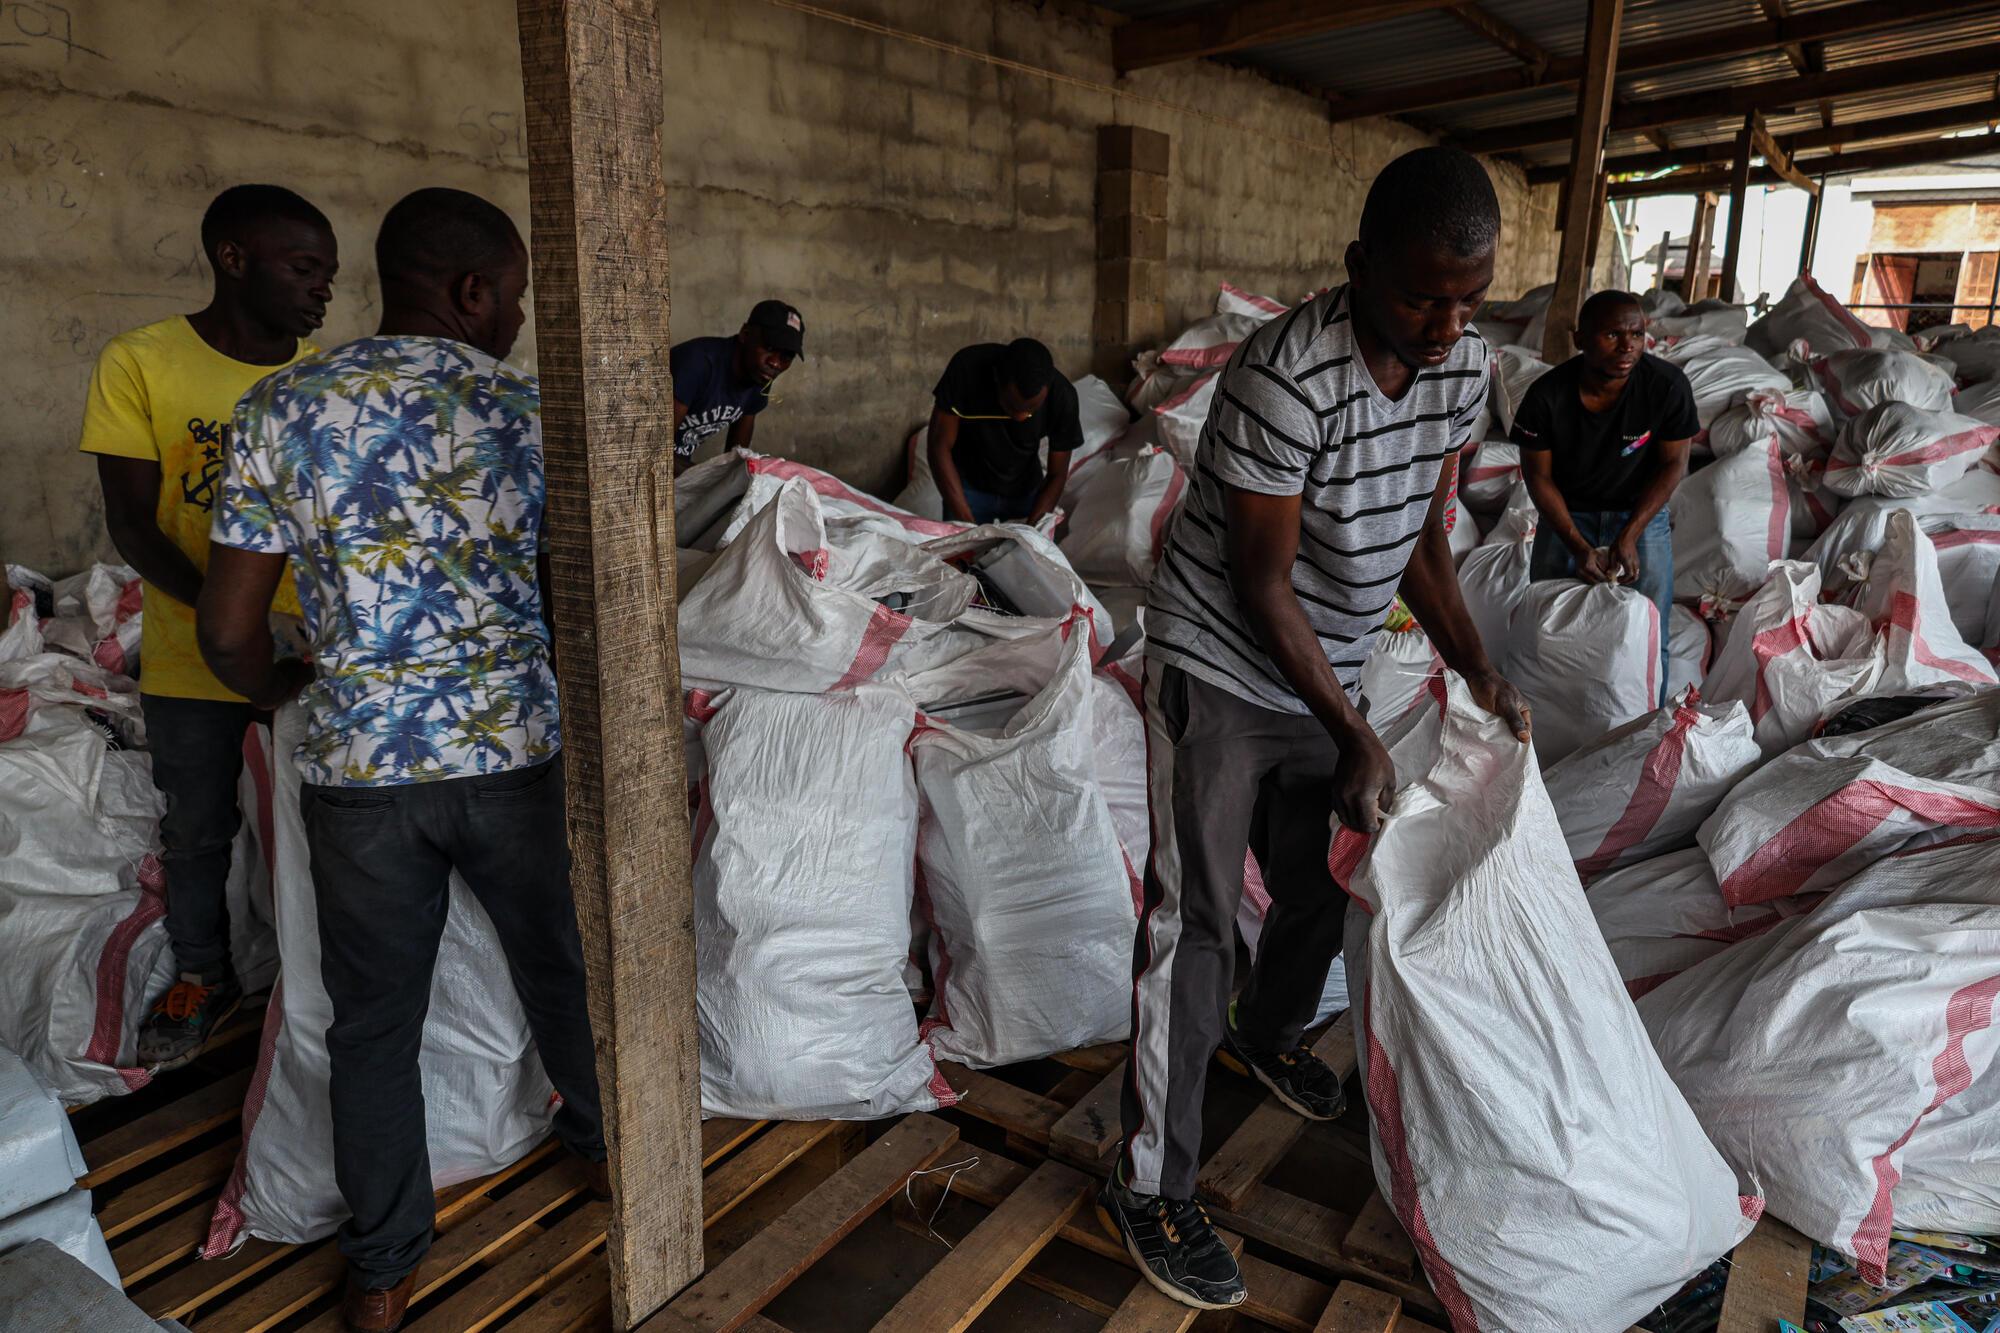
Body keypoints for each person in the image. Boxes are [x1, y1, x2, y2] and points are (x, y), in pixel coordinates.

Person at [1098, 147, 1531, 1313]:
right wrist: (1352, 731)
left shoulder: (1460, 369)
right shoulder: (1282, 375)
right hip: (1223, 659)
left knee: (1321, 874)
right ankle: (1149, 1182)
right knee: (1190, 922)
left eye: (1466, 297)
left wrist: (1477, 667)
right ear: (1357, 268)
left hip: (1327, 663)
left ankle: (1267, 1028)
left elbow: (1422, 540)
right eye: (1418, 296)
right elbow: (1259, 578)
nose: (1444, 323)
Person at [196, 188, 606, 1333]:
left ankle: (382, 1272)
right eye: (514, 297)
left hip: (361, 775)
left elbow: (230, 630)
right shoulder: (527, 411)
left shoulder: (283, 406)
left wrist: (280, 686)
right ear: (471, 293)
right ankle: (609, 1149)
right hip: (513, 756)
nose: (516, 319)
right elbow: (584, 599)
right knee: (561, 973)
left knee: (372, 1024)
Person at [77, 183, 338, 1071]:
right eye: (304, 269)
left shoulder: (323, 378)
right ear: (233, 258)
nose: (322, 291)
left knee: (330, 822)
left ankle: (323, 983)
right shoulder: (140, 361)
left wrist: (291, 629)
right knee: (196, 826)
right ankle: (203, 972)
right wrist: (237, 614)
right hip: (195, 655)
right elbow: (134, 525)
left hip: (315, 655)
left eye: (328, 275)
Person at [1512, 289, 1694, 705]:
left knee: (1650, 632)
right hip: (1566, 519)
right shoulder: (1547, 395)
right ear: (1580, 339)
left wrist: (1630, 534)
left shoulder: (1666, 387)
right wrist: (1576, 544)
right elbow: (1537, 476)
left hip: (1641, 518)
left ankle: (1640, 732)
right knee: (1549, 628)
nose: (1627, 345)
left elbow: (1673, 465)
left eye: (1636, 333)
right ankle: (1547, 729)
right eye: (1612, 334)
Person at [928, 336, 1081, 524]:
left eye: (1031, 410)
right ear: (996, 379)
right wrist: (966, 522)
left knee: (1025, 551)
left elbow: (1057, 474)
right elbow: (939, 446)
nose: (1020, 417)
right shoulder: (966, 369)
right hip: (967, 487)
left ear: (1048, 390)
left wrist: (1032, 532)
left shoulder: (1062, 396)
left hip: (1025, 492)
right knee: (963, 551)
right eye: (1011, 407)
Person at [670, 300, 803, 473]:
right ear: (745, 334)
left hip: (674, 470)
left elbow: (736, 456)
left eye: (786, 357)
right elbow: (648, 452)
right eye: (769, 348)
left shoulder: (759, 378)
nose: (776, 363)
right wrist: (704, 480)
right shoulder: (697, 364)